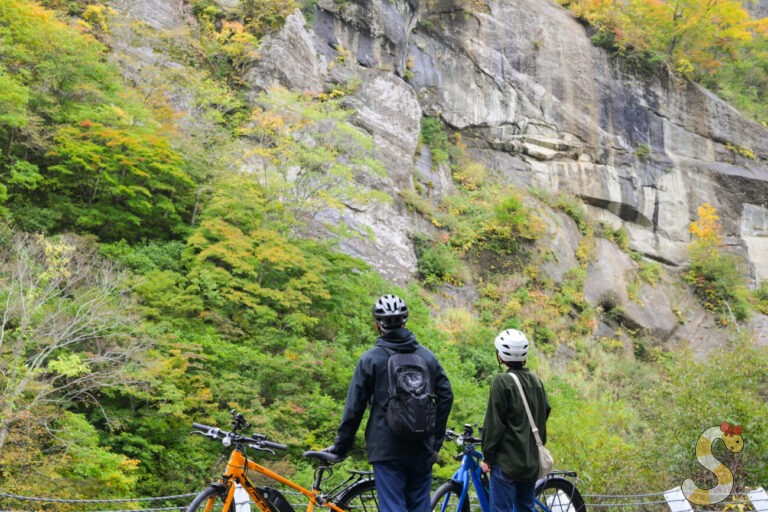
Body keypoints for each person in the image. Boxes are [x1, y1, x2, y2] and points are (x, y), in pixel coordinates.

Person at [326, 294, 454, 512]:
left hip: (386, 450)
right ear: (405, 322)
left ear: (378, 325)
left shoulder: (371, 359)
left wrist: (340, 448)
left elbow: (354, 408)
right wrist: (434, 442)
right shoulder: (427, 357)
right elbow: (446, 396)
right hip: (422, 448)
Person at [480, 329, 551, 512]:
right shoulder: (536, 381)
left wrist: (488, 457)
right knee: (525, 507)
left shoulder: (501, 382)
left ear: (501, 356)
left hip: (507, 463)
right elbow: (545, 411)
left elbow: (494, 424)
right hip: (530, 461)